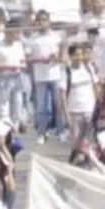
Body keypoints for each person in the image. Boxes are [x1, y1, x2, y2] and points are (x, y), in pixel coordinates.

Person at [27, 10, 64, 144]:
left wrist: (56, 57)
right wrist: (39, 59)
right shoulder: (33, 38)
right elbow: (28, 58)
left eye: (44, 20)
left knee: (58, 104)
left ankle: (61, 131)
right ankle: (42, 132)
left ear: (49, 21)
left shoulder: (56, 36)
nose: (42, 23)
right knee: (41, 106)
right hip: (40, 75)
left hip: (55, 73)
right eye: (39, 20)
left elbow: (62, 55)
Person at [59, 43, 98, 152]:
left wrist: (99, 108)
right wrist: (67, 116)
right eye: (76, 55)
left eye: (81, 54)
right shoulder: (66, 71)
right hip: (75, 113)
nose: (79, 57)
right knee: (76, 145)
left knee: (90, 143)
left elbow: (96, 88)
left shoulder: (89, 68)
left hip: (90, 110)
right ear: (70, 56)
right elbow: (62, 95)